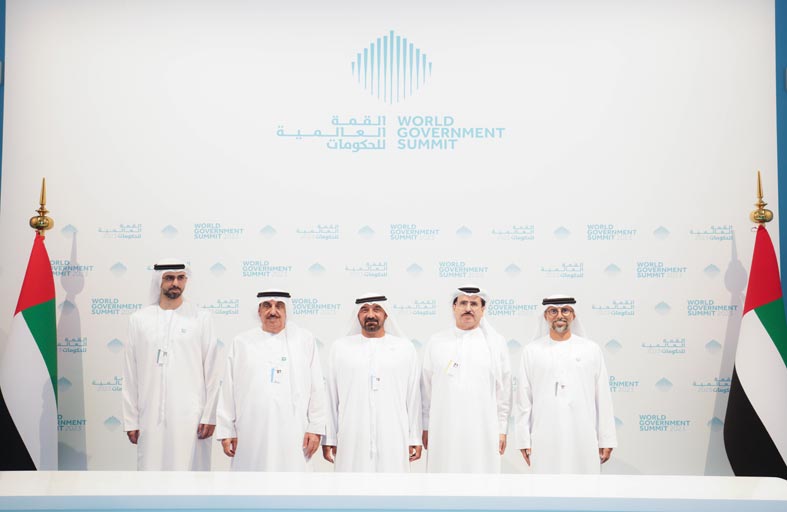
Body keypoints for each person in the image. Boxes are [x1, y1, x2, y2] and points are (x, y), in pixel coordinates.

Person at [122, 259, 221, 470]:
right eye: (169, 278)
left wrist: (210, 415)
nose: (175, 283)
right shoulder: (139, 320)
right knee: (151, 474)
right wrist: (131, 419)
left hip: (192, 417)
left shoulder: (201, 318)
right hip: (150, 415)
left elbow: (212, 372)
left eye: (180, 278)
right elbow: (130, 373)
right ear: (158, 280)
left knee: (191, 476)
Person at [215, 290, 327, 471]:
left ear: (286, 310)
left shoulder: (303, 340)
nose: (273, 311)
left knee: (293, 479)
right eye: (267, 306)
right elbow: (228, 388)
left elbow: (316, 387)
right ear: (259, 310)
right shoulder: (242, 342)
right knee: (251, 479)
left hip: (294, 431)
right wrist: (227, 430)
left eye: (279, 306)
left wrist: (315, 427)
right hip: (251, 431)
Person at [514, 295, 617, 474]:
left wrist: (606, 439)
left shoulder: (591, 350)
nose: (560, 315)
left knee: (584, 485)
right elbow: (524, 400)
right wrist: (523, 439)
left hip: (583, 435)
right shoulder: (531, 351)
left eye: (565, 310)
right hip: (545, 435)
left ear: (573, 315)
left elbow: (603, 397)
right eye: (553, 311)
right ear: (545, 316)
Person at [322, 293, 422, 472]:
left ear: (386, 314)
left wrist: (414, 436)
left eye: (377, 309)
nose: (370, 315)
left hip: (393, 435)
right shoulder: (340, 348)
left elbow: (413, 397)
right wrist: (330, 437)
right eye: (364, 310)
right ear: (357, 314)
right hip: (352, 436)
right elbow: (330, 397)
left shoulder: (405, 349)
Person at [421, 286, 512, 473]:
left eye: (474, 304)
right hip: (443, 427)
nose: (468, 308)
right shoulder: (436, 341)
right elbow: (426, 389)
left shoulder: (495, 344)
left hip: (483, 429)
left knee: (481, 475)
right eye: (463, 303)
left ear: (483, 309)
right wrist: (425, 426)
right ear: (454, 307)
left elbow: (503, 391)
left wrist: (502, 430)